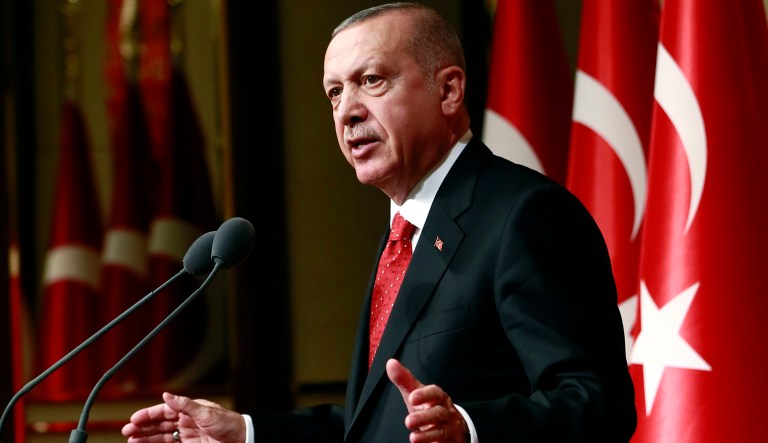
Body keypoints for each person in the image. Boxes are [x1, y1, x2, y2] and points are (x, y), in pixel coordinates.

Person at [122, 3, 637, 442]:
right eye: (334, 93)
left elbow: (597, 401)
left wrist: (470, 427)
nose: (347, 111)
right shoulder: (402, 235)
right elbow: (377, 425)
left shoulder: (524, 216)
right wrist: (246, 431)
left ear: (449, 90)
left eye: (371, 80)